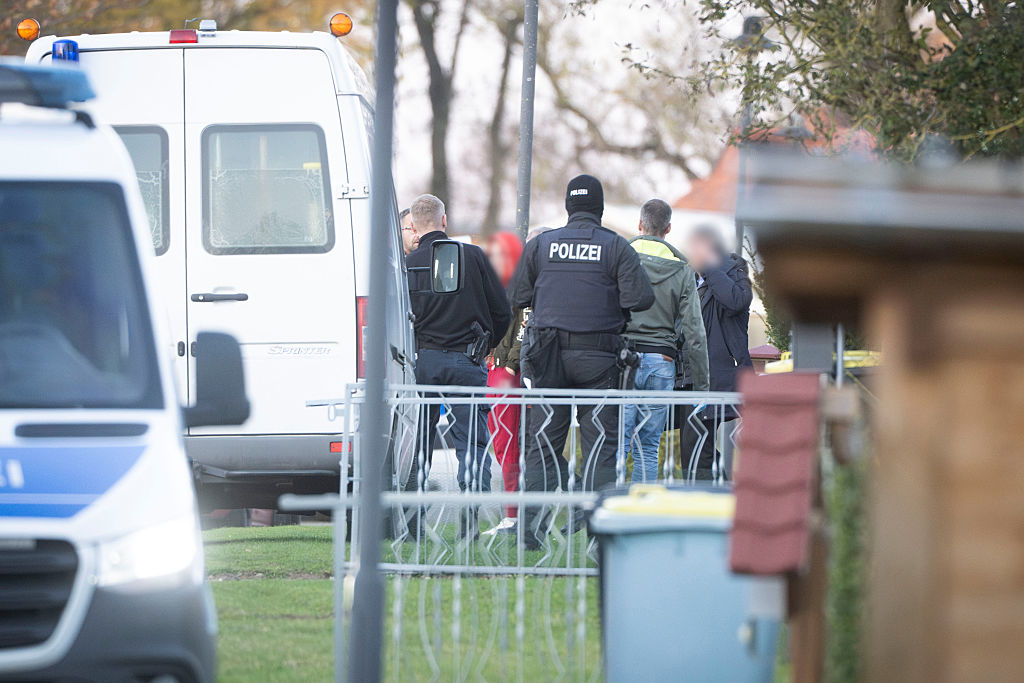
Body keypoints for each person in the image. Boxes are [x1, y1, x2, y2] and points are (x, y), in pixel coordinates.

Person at [509, 174, 655, 547]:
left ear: (568, 207)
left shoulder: (541, 246)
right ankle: (599, 537)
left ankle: (530, 536)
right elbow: (641, 298)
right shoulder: (616, 246)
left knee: (542, 444)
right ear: (600, 208)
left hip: (547, 358)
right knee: (601, 448)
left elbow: (517, 295)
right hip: (600, 359)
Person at [405, 194, 512, 502]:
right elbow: (502, 311)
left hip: (422, 362)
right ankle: (471, 514)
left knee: (418, 442)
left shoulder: (407, 265)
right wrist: (486, 346)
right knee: (472, 442)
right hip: (467, 359)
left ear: (413, 226)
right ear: (444, 220)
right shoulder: (474, 256)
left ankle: (414, 516)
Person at [620, 199, 709, 483]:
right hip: (662, 360)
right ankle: (642, 504)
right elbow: (695, 332)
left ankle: (612, 507)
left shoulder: (621, 258)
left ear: (639, 224)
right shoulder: (682, 269)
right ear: (668, 228)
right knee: (648, 446)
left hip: (623, 361)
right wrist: (702, 387)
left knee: (618, 444)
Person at [677, 224, 753, 480]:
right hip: (689, 376)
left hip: (715, 375)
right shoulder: (690, 277)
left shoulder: (733, 270)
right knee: (694, 448)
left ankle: (714, 494)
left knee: (698, 448)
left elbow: (736, 302)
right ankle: (717, 492)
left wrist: (709, 267)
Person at [483, 231, 525, 535]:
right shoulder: (496, 286)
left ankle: (514, 515)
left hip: (506, 375)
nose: (493, 260)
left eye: (499, 254)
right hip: (495, 370)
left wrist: (510, 364)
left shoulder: (521, 288)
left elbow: (524, 325)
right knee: (501, 444)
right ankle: (514, 513)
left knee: (507, 444)